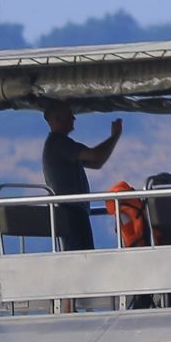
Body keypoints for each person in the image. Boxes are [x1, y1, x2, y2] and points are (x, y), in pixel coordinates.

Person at [39, 101, 122, 252]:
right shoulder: (59, 143)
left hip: (73, 211)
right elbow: (95, 156)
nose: (74, 118)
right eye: (69, 115)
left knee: (82, 254)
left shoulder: (59, 145)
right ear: (58, 119)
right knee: (81, 256)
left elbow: (96, 162)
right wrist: (115, 136)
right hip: (71, 211)